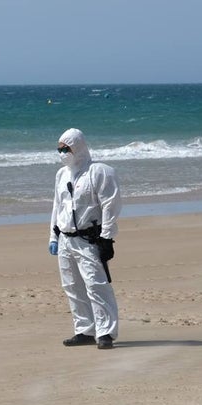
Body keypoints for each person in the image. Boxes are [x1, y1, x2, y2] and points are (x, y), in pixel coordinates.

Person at [48, 128, 122, 349]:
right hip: (65, 240)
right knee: (72, 285)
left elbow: (111, 205)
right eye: (59, 149)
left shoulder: (99, 172)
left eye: (66, 148)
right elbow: (57, 206)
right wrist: (53, 236)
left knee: (96, 285)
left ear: (78, 147)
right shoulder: (61, 175)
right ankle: (84, 329)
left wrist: (107, 237)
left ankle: (106, 332)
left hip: (89, 240)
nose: (62, 152)